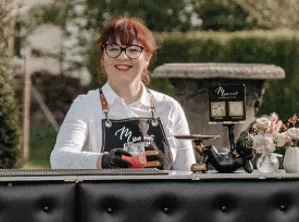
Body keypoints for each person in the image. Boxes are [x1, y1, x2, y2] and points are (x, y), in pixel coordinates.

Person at [50, 16, 196, 170]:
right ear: (102, 57)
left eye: (133, 49)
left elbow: (188, 173)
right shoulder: (86, 105)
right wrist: (103, 161)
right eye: (113, 48)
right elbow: (59, 159)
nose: (122, 56)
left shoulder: (169, 108)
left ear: (147, 58)